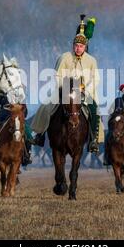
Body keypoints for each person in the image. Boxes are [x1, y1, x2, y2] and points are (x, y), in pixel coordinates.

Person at [31, 14, 103, 153]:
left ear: (85, 46)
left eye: (81, 46)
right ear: (73, 45)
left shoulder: (91, 60)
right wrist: (62, 89)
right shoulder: (64, 57)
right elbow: (57, 75)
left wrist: (86, 91)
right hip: (64, 91)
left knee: (95, 111)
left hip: (84, 93)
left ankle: (93, 141)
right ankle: (39, 135)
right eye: (76, 45)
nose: (78, 48)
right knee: (46, 108)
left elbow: (96, 79)